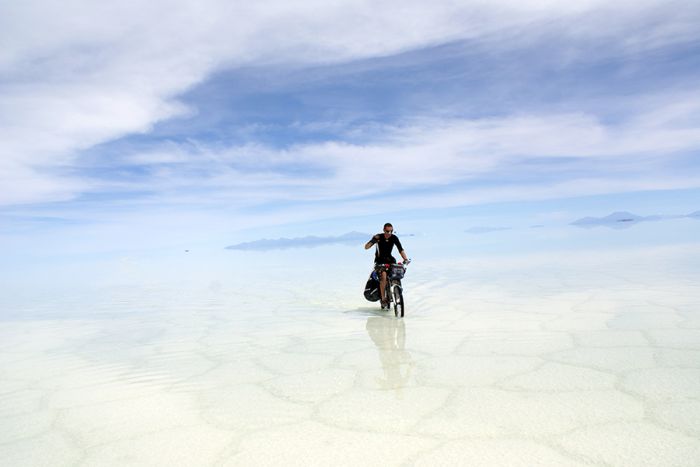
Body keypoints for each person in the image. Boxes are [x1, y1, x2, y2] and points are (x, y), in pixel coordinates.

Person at [364, 223, 410, 309]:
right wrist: (373, 240)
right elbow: (366, 247)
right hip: (379, 262)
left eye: (391, 231)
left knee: (397, 272)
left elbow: (400, 249)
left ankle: (397, 291)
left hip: (390, 261)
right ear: (384, 230)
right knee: (384, 276)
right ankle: (383, 298)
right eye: (387, 231)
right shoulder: (379, 237)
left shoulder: (394, 238)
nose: (389, 233)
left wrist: (406, 259)